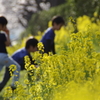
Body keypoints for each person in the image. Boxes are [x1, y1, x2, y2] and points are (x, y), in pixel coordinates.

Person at [0, 16, 21, 91]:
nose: (5, 27)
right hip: (3, 56)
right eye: (4, 25)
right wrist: (7, 34)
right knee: (17, 67)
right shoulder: (2, 35)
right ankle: (14, 86)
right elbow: (8, 44)